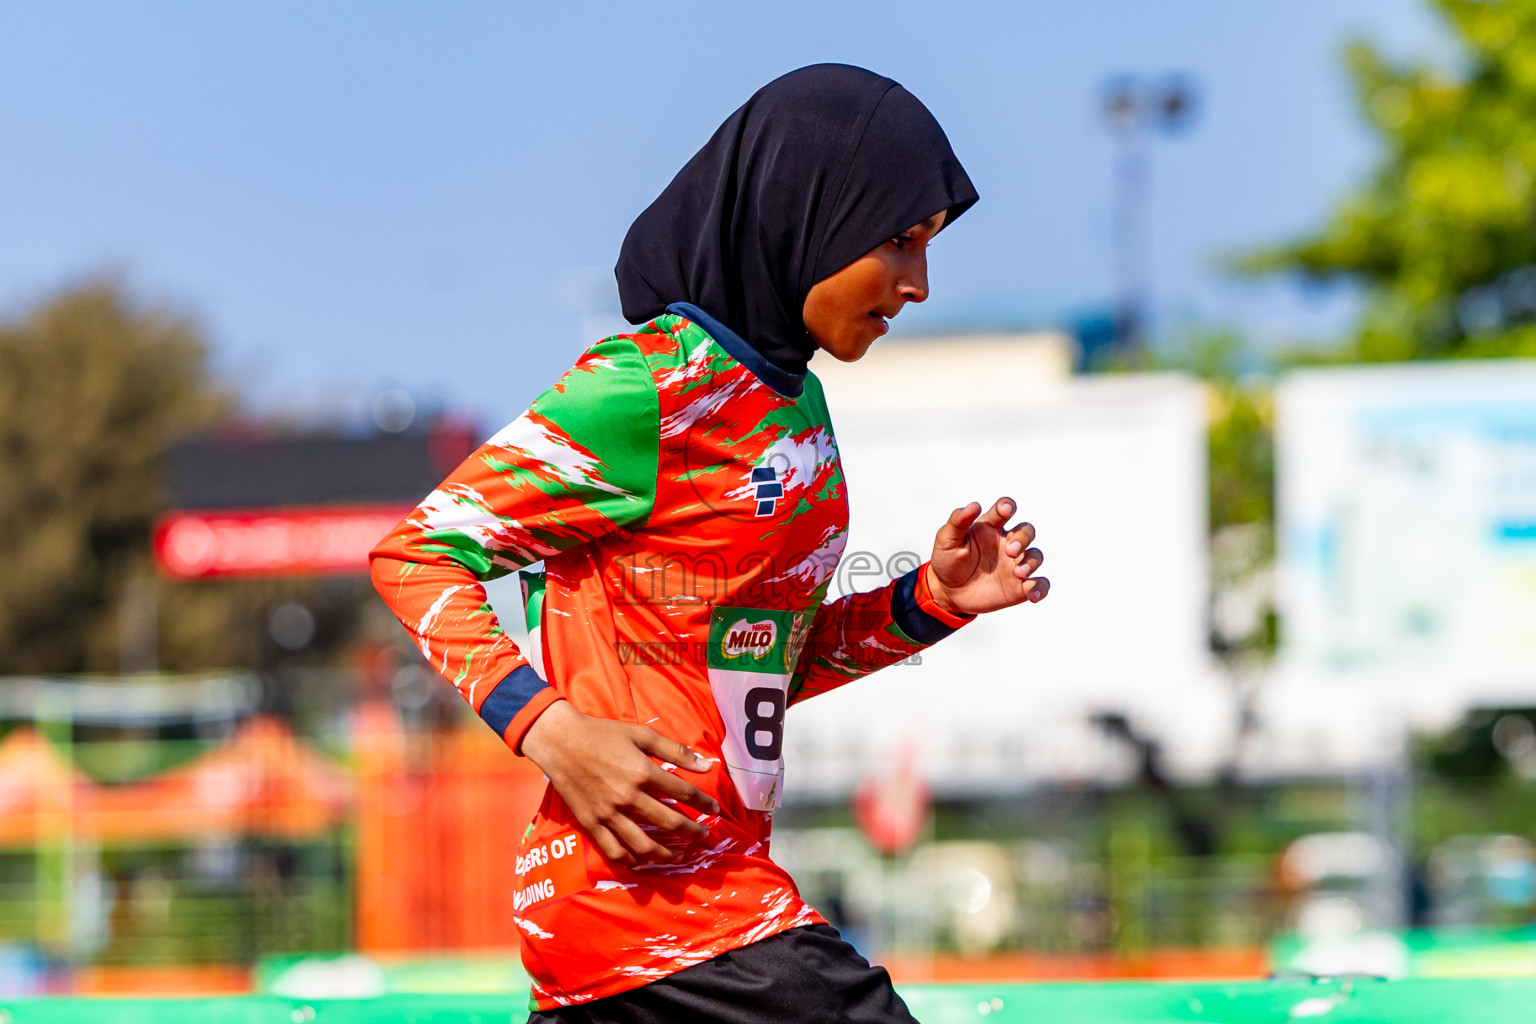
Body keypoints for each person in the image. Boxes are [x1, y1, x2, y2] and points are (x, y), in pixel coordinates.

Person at [370, 63, 1049, 1023]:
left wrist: (926, 602)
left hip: (681, 910)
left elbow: (755, 662)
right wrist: (551, 731)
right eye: (898, 241)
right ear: (804, 211)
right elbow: (418, 553)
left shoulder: (796, 407)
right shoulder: (646, 387)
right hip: (665, 916)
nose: (919, 284)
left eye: (930, 248)